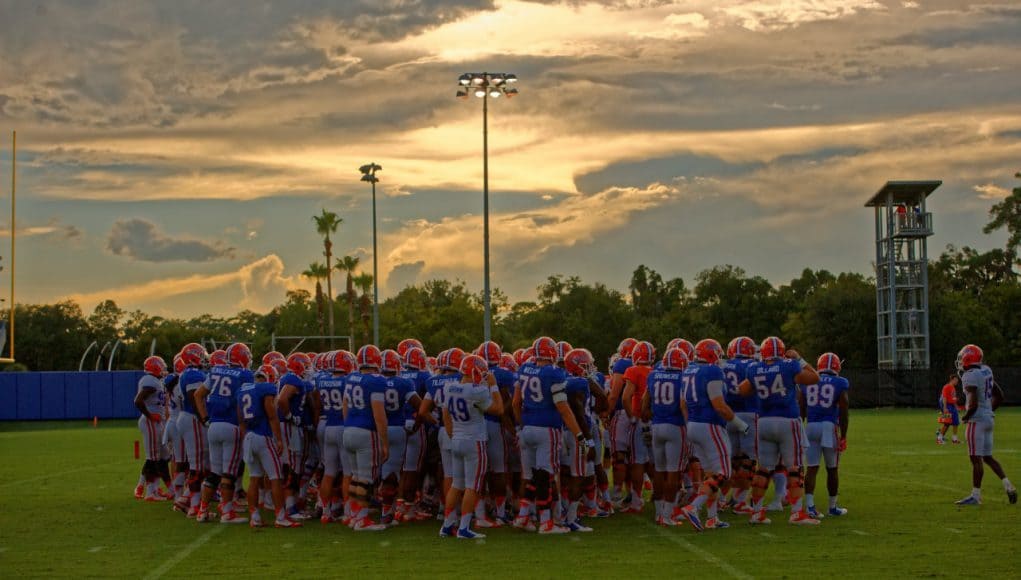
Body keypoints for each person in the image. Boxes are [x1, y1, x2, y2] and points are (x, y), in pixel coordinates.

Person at [737, 337, 821, 525]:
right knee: (794, 467)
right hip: (787, 420)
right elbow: (815, 377)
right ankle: (797, 512)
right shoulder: (789, 365)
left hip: (764, 421)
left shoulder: (753, 368)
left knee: (764, 468)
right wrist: (799, 359)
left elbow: (742, 391)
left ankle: (757, 513)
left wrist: (760, 382)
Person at [512, 336, 586, 534]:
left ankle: (522, 517)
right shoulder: (554, 373)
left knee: (529, 475)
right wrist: (579, 434)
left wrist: (521, 425)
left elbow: (515, 403)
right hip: (547, 430)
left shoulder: (523, 369)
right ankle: (546, 522)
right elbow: (563, 407)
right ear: (552, 353)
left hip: (527, 429)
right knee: (545, 476)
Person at [679, 339, 749, 531]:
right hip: (710, 425)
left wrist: (691, 423)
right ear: (712, 354)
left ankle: (712, 518)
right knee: (723, 473)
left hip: (693, 424)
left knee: (710, 474)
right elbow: (719, 405)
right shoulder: (712, 371)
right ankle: (694, 507)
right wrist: (740, 424)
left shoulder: (689, 370)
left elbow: (683, 404)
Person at [439, 355, 503, 539]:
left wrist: (453, 435)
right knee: (472, 486)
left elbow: (445, 414)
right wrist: (493, 385)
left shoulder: (449, 386)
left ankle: (447, 525)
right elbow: (499, 409)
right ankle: (464, 528)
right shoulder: (477, 391)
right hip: (474, 441)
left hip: (456, 439)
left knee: (456, 484)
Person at [954, 345, 1017, 506]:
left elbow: (973, 404)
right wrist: (988, 411)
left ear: (968, 358)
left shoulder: (970, 375)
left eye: (963, 357)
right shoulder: (986, 370)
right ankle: (1008, 485)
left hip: (977, 421)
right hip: (988, 419)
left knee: (976, 459)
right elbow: (1000, 396)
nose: (961, 361)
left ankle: (975, 496)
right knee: (988, 457)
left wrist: (966, 417)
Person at [196, 343, 253, 524]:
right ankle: (227, 512)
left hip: (213, 426)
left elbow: (198, 395)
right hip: (232, 426)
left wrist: (205, 418)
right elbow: (244, 402)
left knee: (214, 472)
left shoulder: (216, 371)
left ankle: (202, 511)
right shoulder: (245, 375)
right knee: (229, 473)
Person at [239, 364, 301, 528]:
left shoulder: (243, 390)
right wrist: (279, 440)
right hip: (263, 437)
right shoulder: (266, 389)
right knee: (275, 477)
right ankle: (280, 516)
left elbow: (240, 418)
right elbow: (272, 416)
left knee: (254, 478)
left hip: (249, 436)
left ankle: (255, 517)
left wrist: (246, 435)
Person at [341, 345, 390, 531]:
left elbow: (345, 406)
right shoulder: (376, 381)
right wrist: (385, 442)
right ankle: (361, 519)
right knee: (365, 479)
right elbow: (379, 414)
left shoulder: (351, 377)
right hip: (365, 432)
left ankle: (354, 516)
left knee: (355, 477)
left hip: (349, 429)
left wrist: (349, 425)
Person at [642, 347, 689, 527]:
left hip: (657, 425)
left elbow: (645, 403)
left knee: (659, 471)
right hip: (675, 426)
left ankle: (658, 512)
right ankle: (667, 514)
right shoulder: (682, 377)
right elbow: (684, 403)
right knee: (673, 472)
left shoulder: (654, 375)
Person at [803, 352, 850, 519]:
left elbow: (801, 402)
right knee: (832, 468)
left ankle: (810, 506)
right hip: (829, 426)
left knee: (812, 468)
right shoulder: (840, 382)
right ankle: (832, 507)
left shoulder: (809, 380)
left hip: (811, 425)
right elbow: (844, 408)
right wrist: (843, 434)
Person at [379, 349, 421, 526]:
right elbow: (419, 404)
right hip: (396, 427)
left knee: (365, 473)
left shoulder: (373, 381)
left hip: (373, 429)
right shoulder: (404, 383)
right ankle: (386, 513)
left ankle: (356, 513)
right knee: (391, 474)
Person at [175, 343, 211, 517]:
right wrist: (203, 418)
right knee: (197, 465)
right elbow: (194, 397)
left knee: (201, 463)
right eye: (201, 355)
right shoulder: (193, 374)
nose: (204, 358)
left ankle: (186, 498)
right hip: (192, 417)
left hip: (188, 417)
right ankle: (194, 507)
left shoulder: (188, 373)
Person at [134, 356, 172, 502]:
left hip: (157, 421)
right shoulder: (150, 380)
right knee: (153, 458)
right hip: (151, 421)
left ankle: (154, 488)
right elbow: (138, 401)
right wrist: (150, 415)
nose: (163, 369)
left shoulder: (156, 381)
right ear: (155, 367)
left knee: (163, 456)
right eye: (161, 366)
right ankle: (150, 492)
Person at [937, 375, 961, 445]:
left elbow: (953, 399)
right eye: (956, 380)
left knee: (956, 422)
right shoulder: (946, 386)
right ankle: (939, 438)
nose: (957, 381)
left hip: (952, 406)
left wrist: (956, 406)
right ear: (952, 380)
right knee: (947, 422)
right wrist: (944, 408)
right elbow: (944, 397)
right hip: (947, 405)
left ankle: (954, 439)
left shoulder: (953, 387)